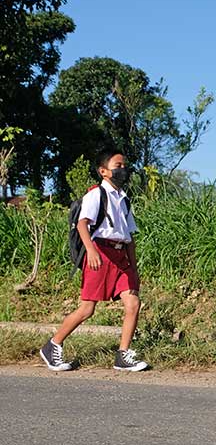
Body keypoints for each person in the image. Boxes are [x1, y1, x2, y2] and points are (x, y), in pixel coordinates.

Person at [40, 149, 148, 372]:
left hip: (121, 257)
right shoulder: (96, 195)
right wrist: (91, 251)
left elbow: (129, 238)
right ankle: (52, 346)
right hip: (100, 253)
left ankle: (122, 355)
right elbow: (82, 224)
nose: (123, 169)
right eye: (117, 166)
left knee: (133, 303)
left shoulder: (124, 200)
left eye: (124, 165)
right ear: (103, 171)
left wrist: (133, 268)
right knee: (87, 309)